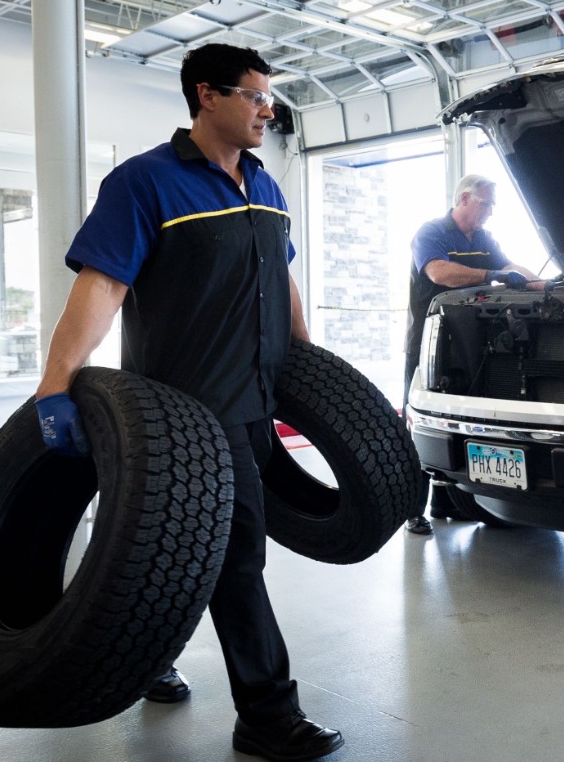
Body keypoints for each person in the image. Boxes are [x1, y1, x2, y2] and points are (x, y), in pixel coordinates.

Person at [33, 43, 343, 761]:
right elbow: (102, 285)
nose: (269, 108)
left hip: (256, 402)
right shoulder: (146, 182)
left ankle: (147, 658)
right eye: (256, 95)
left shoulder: (267, 185)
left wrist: (309, 363)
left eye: (271, 96)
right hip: (184, 412)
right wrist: (58, 380)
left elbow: (284, 280)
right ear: (207, 95)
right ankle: (268, 713)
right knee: (237, 556)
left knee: (168, 547)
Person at [403, 173, 542, 535]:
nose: (492, 211)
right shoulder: (431, 232)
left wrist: (547, 285)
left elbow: (510, 267)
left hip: (470, 344)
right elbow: (439, 272)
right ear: (464, 199)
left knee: (459, 421)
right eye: (486, 203)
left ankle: (444, 502)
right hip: (429, 344)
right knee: (419, 425)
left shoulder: (482, 238)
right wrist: (491, 273)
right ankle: (411, 510)